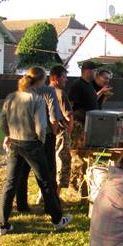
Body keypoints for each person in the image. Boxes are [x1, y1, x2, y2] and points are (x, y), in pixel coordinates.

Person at [0, 71, 72, 235]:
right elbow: (41, 126)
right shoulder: (36, 99)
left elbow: (2, 122)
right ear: (36, 83)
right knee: (46, 181)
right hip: (32, 144)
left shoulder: (11, 97)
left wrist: (9, 135)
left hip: (15, 143)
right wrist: (40, 141)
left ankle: (2, 224)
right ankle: (57, 220)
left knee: (10, 183)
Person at [15, 67, 63, 210]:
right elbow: (54, 118)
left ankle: (22, 205)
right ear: (43, 79)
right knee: (47, 172)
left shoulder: (21, 92)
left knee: (22, 172)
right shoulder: (48, 91)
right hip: (44, 135)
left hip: (22, 136)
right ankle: (51, 205)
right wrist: (54, 132)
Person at [68, 60, 102, 191]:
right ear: (87, 71)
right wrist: (71, 122)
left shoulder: (89, 85)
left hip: (89, 124)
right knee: (77, 153)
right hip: (79, 124)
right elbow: (70, 105)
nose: (96, 73)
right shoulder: (78, 85)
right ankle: (73, 183)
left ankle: (83, 180)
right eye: (94, 71)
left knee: (86, 154)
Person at [48, 65, 73, 196]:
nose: (66, 79)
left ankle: (45, 194)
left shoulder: (43, 92)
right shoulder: (60, 93)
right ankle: (55, 195)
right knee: (62, 162)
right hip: (60, 133)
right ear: (55, 78)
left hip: (46, 133)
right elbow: (69, 117)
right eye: (64, 77)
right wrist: (69, 133)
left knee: (49, 163)